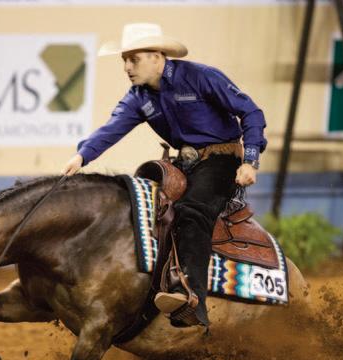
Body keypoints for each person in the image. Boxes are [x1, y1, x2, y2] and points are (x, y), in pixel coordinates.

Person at [63, 23, 266, 328]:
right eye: (124, 60)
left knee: (192, 211)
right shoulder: (137, 97)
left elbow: (251, 112)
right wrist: (81, 156)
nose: (127, 68)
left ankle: (190, 298)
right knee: (140, 212)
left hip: (222, 161)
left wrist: (250, 162)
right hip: (184, 164)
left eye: (134, 60)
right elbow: (111, 129)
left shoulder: (200, 76)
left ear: (157, 57)